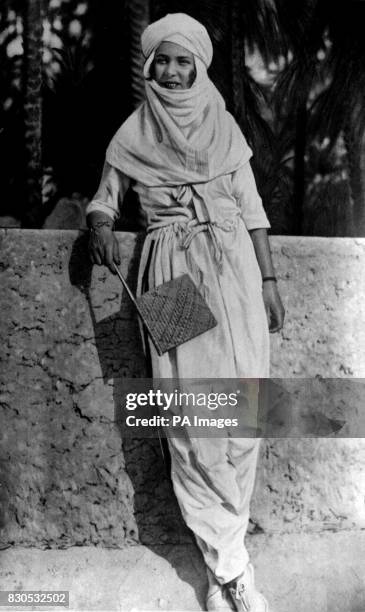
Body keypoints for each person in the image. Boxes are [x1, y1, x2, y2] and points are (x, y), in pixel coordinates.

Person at [86, 13, 285, 612]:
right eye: (161, 61)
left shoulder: (226, 129)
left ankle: (226, 567)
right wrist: (99, 224)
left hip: (239, 277)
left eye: (182, 61)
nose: (171, 73)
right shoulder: (132, 134)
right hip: (170, 276)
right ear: (150, 68)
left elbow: (252, 211)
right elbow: (105, 199)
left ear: (199, 66)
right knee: (193, 418)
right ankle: (232, 572)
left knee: (245, 412)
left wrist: (269, 280)